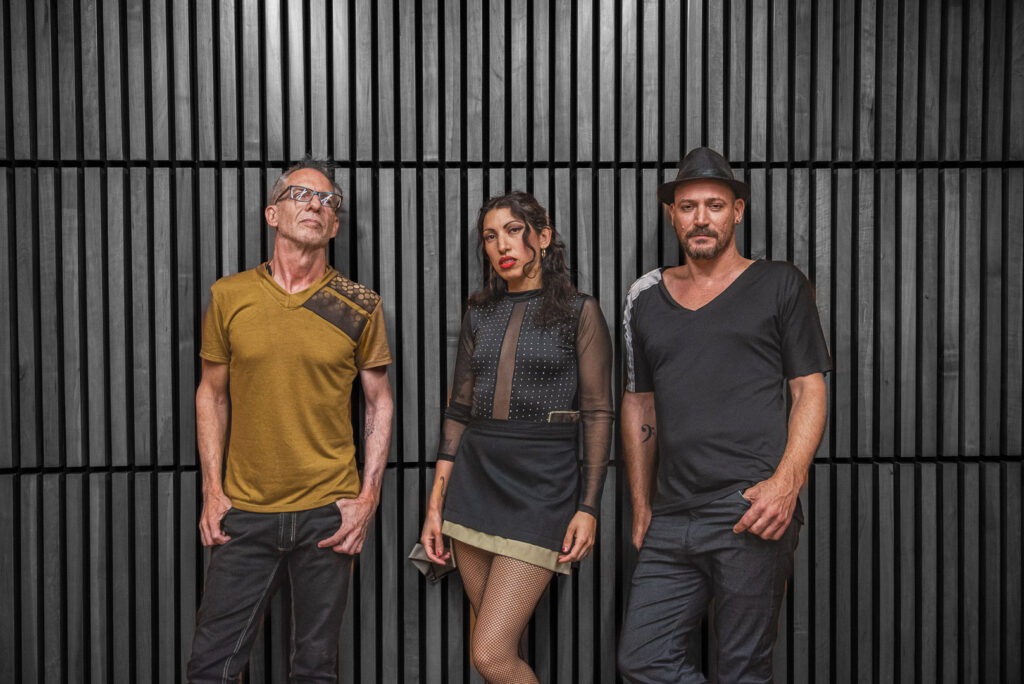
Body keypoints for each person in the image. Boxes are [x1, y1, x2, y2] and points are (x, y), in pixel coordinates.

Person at [617, 147, 831, 683]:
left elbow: (809, 390)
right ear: (672, 214)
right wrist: (642, 506)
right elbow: (639, 403)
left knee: (742, 669)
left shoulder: (780, 283)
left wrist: (786, 484)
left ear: (737, 211)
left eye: (714, 206)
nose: (700, 218)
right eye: (688, 207)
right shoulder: (645, 297)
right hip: (672, 514)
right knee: (641, 659)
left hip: (751, 507)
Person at [187, 159, 394, 682]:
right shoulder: (229, 295)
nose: (315, 205)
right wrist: (212, 491)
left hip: (328, 514)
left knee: (315, 669)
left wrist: (367, 497)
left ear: (335, 226)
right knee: (211, 667)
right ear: (272, 213)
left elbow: (379, 403)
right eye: (301, 194)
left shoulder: (360, 305)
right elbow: (211, 395)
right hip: (245, 510)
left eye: (327, 201)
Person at [419, 191, 614, 683]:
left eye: (512, 231)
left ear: (543, 237)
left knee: (489, 654)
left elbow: (597, 413)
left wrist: (589, 507)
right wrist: (435, 507)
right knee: (503, 649)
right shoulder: (479, 312)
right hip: (473, 486)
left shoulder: (580, 311)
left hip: (542, 490)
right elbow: (457, 412)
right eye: (490, 236)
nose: (501, 245)